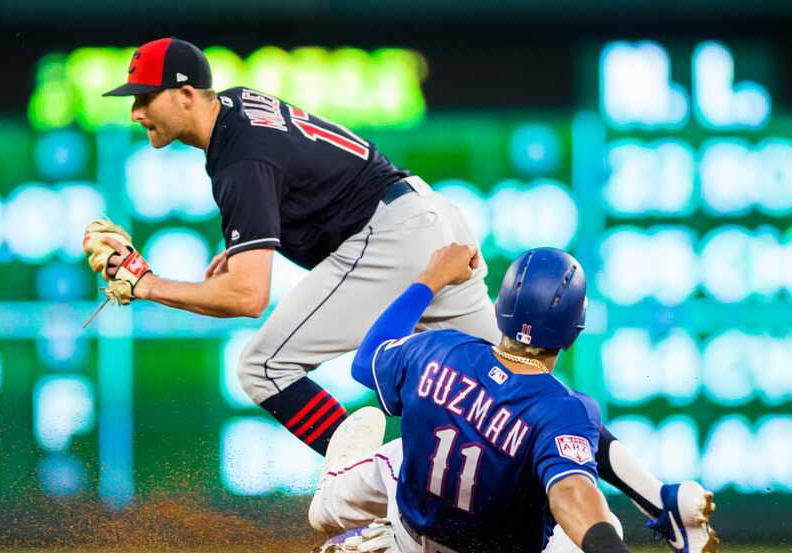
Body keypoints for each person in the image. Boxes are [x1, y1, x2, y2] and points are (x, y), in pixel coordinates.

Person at [87, 37, 714, 550]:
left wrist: (147, 285)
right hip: (425, 217)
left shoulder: (237, 158)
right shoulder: (241, 109)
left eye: (144, 98)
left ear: (187, 92)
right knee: (521, 391)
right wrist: (256, 239)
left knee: (262, 365)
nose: (136, 112)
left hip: (392, 242)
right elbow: (305, 184)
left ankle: (364, 490)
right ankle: (661, 495)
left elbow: (248, 298)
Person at [308, 245, 718, 553]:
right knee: (599, 514)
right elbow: (573, 493)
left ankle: (337, 504)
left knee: (397, 455)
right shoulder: (564, 410)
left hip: (412, 536)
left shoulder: (435, 349)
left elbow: (366, 361)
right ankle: (660, 501)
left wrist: (430, 278)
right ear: (574, 330)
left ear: (500, 306)